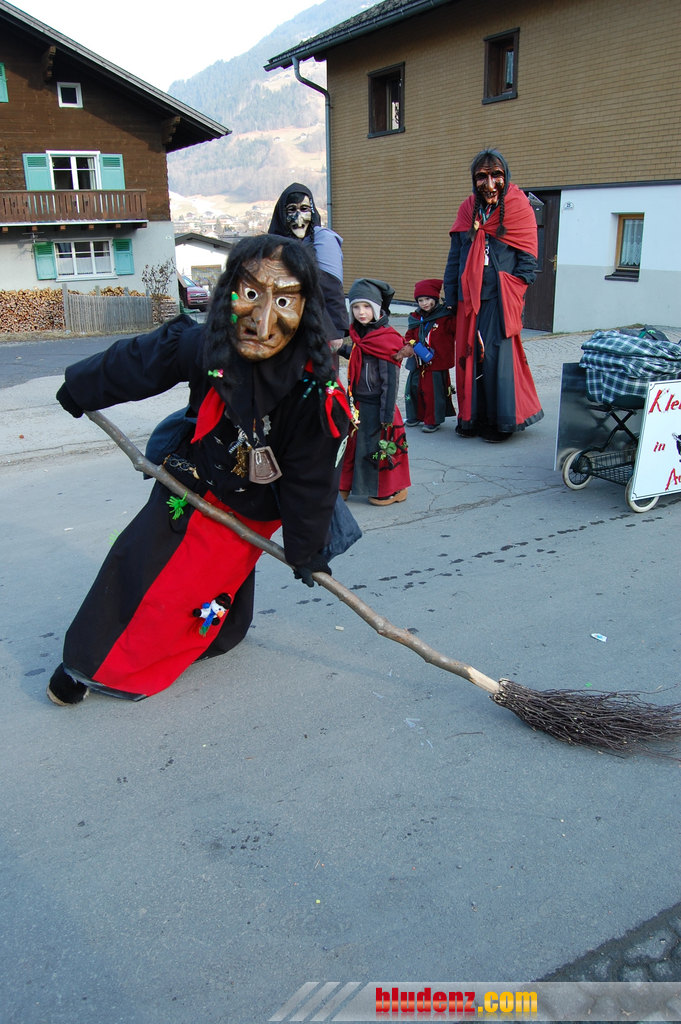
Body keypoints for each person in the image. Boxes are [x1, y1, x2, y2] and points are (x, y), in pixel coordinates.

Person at [46, 235, 352, 705]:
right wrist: (82, 385)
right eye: (250, 294)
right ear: (229, 291)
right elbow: (146, 359)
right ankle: (92, 663)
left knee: (207, 586)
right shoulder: (209, 344)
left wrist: (307, 550)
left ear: (306, 307)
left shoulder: (314, 392)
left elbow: (311, 479)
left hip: (250, 509)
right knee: (140, 564)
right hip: (191, 478)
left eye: (283, 301)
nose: (262, 323)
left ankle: (214, 635)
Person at [443, 149, 543, 442]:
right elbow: (455, 257)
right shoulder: (468, 209)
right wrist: (451, 296)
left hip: (500, 298)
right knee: (469, 357)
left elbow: (527, 258)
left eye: (496, 175)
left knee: (496, 359)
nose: (489, 184)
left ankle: (500, 422)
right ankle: (472, 418)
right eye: (482, 176)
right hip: (468, 298)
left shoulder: (518, 206)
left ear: (505, 176)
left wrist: (516, 288)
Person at [338, 278, 411, 506]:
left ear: (377, 308)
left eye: (367, 306)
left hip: (379, 405)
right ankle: (344, 484)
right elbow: (359, 354)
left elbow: (390, 381)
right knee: (351, 446)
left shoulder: (386, 339)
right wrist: (339, 348)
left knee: (378, 449)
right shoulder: (360, 335)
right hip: (357, 403)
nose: (361, 312)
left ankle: (391, 489)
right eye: (356, 307)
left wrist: (386, 416)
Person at [268, 182, 348, 341]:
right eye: (291, 210)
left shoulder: (323, 241)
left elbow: (332, 289)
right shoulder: (271, 246)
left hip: (318, 327)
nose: (298, 218)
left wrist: (337, 330)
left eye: (304, 209)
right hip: (280, 327)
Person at [403, 277, 456, 433]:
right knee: (413, 388)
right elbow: (408, 335)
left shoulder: (446, 316)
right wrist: (413, 344)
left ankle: (432, 420)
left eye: (428, 299)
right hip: (418, 361)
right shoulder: (415, 318)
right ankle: (415, 416)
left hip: (437, 362)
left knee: (432, 392)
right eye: (420, 300)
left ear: (435, 298)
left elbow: (456, 329)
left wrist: (454, 309)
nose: (424, 303)